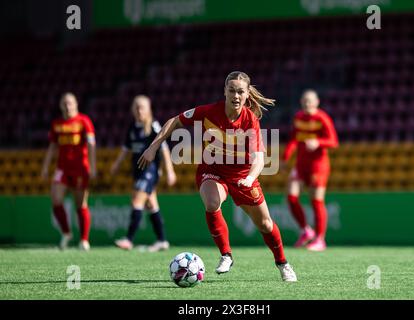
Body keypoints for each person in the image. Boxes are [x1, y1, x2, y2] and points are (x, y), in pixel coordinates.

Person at [138, 71, 297, 282]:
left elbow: (259, 159)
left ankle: (283, 263)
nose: (236, 95)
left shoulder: (250, 120)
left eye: (241, 91)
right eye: (232, 90)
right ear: (225, 91)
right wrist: (153, 146)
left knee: (266, 225)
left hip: (242, 176)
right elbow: (175, 121)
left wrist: (249, 179)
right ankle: (226, 254)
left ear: (248, 93)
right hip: (212, 171)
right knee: (212, 202)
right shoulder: (209, 112)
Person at [111, 95, 177, 252]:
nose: (139, 110)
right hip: (138, 172)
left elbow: (165, 149)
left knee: (137, 201)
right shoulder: (133, 127)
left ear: (149, 110)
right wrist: (116, 165)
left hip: (150, 171)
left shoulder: (153, 126)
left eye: (142, 107)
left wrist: (170, 171)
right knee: (151, 204)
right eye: (136, 107)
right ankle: (162, 240)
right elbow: (126, 149)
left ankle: (128, 239)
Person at [281, 89, 339, 251]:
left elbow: (333, 141)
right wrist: (285, 157)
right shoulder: (298, 117)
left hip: (318, 166)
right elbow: (294, 139)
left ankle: (320, 239)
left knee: (316, 201)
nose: (307, 104)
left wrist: (318, 142)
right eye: (304, 101)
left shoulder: (322, 118)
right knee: (291, 197)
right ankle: (306, 230)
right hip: (301, 164)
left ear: (316, 102)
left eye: (310, 101)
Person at [41, 92, 96, 251]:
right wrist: (45, 166)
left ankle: (84, 240)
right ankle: (66, 232)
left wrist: (93, 167)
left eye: (70, 103)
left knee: (80, 204)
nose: (67, 106)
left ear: (76, 104)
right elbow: (52, 146)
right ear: (60, 106)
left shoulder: (84, 121)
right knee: (56, 199)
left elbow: (92, 145)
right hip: (62, 169)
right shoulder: (56, 123)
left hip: (80, 168)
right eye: (64, 103)